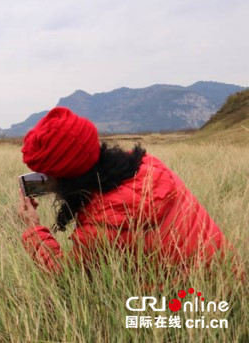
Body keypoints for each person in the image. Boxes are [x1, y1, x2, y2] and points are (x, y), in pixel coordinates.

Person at [17, 107, 228, 274]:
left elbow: (63, 276)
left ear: (68, 180)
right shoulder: (150, 166)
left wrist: (33, 227)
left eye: (48, 177)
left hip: (186, 310)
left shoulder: (100, 228)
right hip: (229, 281)